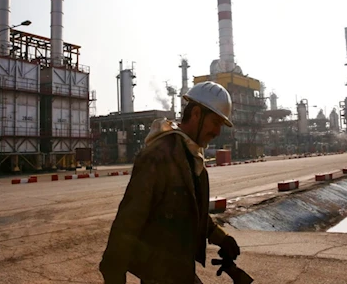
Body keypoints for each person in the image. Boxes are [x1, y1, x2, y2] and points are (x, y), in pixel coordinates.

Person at [99, 81, 241, 284]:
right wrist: (113, 272)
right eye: (215, 123)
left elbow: (192, 211)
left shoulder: (192, 156)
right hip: (159, 274)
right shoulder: (158, 155)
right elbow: (128, 220)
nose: (217, 132)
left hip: (180, 270)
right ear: (196, 114)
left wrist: (221, 237)